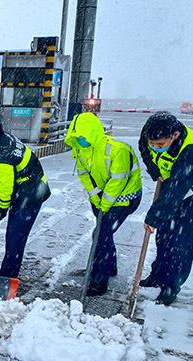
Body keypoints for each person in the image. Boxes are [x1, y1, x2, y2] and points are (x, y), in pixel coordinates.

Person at [138, 111, 193, 305]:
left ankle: (170, 287)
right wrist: (153, 169)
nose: (155, 147)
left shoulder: (192, 149)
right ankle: (157, 276)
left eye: (160, 145)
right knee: (164, 239)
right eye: (153, 143)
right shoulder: (151, 131)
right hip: (172, 192)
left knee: (180, 247)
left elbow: (176, 190)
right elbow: (144, 147)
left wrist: (153, 217)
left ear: (175, 135)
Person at [65, 112, 142, 296]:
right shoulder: (80, 149)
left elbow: (118, 181)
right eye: (76, 137)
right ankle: (109, 266)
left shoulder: (117, 150)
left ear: (92, 132)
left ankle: (99, 281)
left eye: (82, 137)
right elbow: (84, 175)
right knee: (104, 231)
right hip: (102, 196)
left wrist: (104, 205)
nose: (80, 140)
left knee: (100, 234)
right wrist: (96, 198)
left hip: (126, 197)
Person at [0, 121, 51, 278]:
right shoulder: (2, 137)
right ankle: (8, 271)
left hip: (31, 191)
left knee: (15, 235)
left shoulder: (1, 155)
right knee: (14, 233)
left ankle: (8, 276)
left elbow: (5, 187)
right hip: (30, 185)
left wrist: (2, 207)